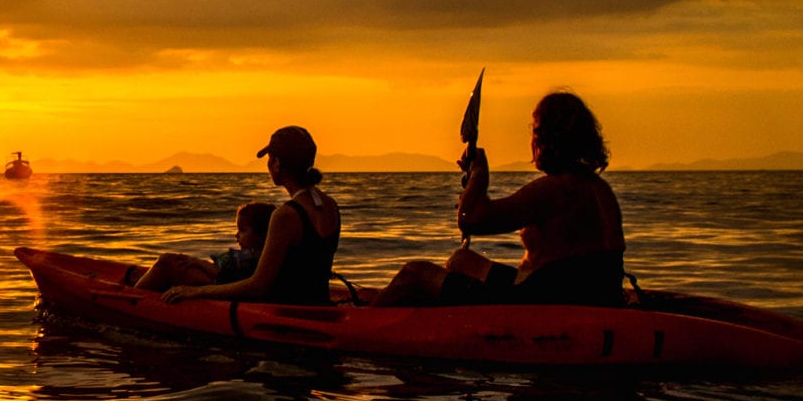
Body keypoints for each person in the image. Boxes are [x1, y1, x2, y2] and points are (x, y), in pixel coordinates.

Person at [371, 91, 626, 307]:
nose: (532, 140)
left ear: (550, 139)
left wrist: (479, 173)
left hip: (547, 303)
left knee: (415, 274)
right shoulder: (599, 188)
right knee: (461, 261)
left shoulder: (555, 190)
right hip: (588, 294)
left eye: (536, 131)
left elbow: (471, 220)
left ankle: (364, 322)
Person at [158, 126, 341, 306]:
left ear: (277, 164)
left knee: (167, 263)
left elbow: (258, 286)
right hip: (316, 300)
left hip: (283, 305)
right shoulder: (330, 205)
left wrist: (196, 292)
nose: (268, 164)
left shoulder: (286, 215)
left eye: (270, 158)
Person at [131, 202, 276, 291]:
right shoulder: (254, 254)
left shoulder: (257, 257)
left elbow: (225, 276)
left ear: (261, 234)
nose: (236, 236)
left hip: (220, 287)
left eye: (242, 230)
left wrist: (200, 263)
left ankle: (133, 297)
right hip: (219, 281)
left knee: (166, 262)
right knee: (172, 262)